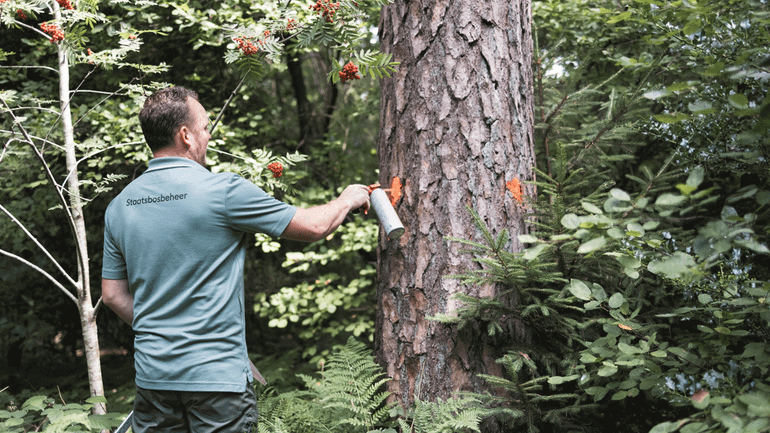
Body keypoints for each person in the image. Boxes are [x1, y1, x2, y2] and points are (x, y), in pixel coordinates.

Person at [101, 86, 371, 433]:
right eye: (204, 127)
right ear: (185, 135)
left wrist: (165, 332)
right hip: (217, 381)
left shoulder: (120, 205)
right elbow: (316, 226)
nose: (208, 135)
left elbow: (112, 295)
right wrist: (348, 198)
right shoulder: (222, 191)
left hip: (154, 379)